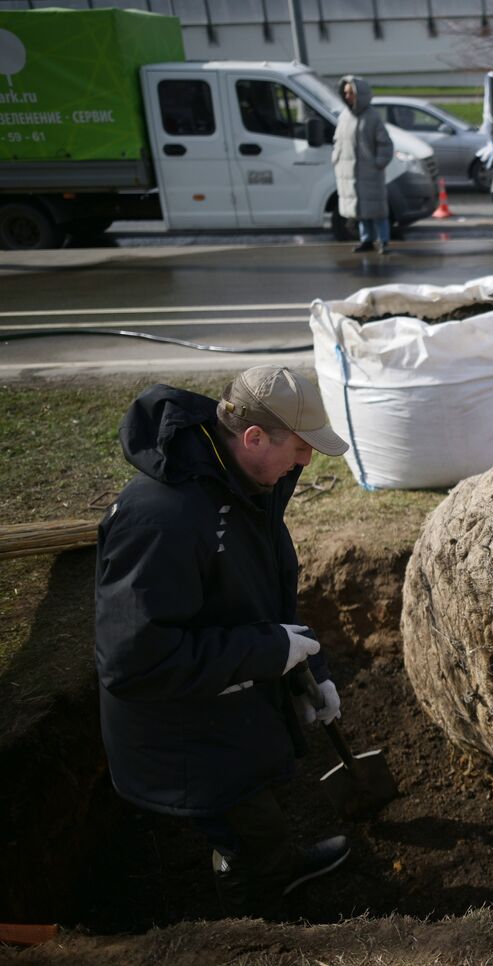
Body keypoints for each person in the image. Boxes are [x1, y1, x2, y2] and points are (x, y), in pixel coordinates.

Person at [94, 366, 353, 916]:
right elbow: (134, 660)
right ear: (254, 437)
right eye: (302, 448)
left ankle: (277, 872)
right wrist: (267, 653)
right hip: (180, 729)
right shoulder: (161, 520)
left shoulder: (250, 488)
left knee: (257, 814)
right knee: (245, 829)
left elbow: (261, 597)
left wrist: (311, 667)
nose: (306, 462)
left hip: (225, 701)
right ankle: (255, 923)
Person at [334, 74, 394, 255]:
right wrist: (336, 159)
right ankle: (366, 239)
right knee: (360, 210)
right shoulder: (344, 116)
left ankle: (383, 241)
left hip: (369, 173)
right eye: (345, 93)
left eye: (350, 93)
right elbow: (338, 141)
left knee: (377, 210)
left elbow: (385, 144)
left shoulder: (372, 117)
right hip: (350, 173)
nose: (347, 96)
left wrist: (378, 163)